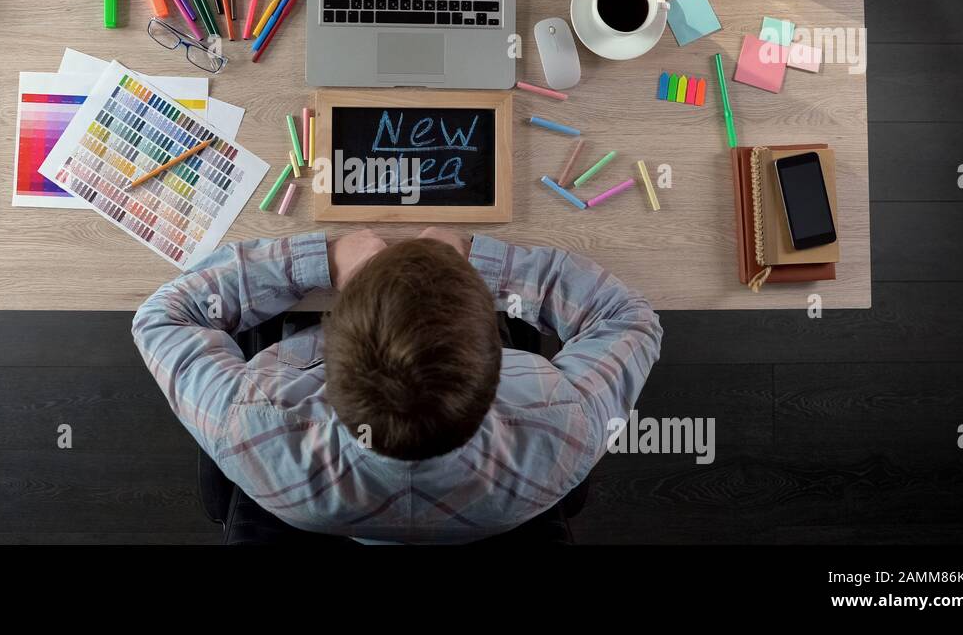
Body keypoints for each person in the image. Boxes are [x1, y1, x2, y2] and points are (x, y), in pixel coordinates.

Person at [133, 228, 663, 543]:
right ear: (497, 366)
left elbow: (162, 316)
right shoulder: (562, 421)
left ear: (327, 356)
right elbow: (628, 317)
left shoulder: (251, 422)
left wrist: (327, 256)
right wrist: (476, 258)